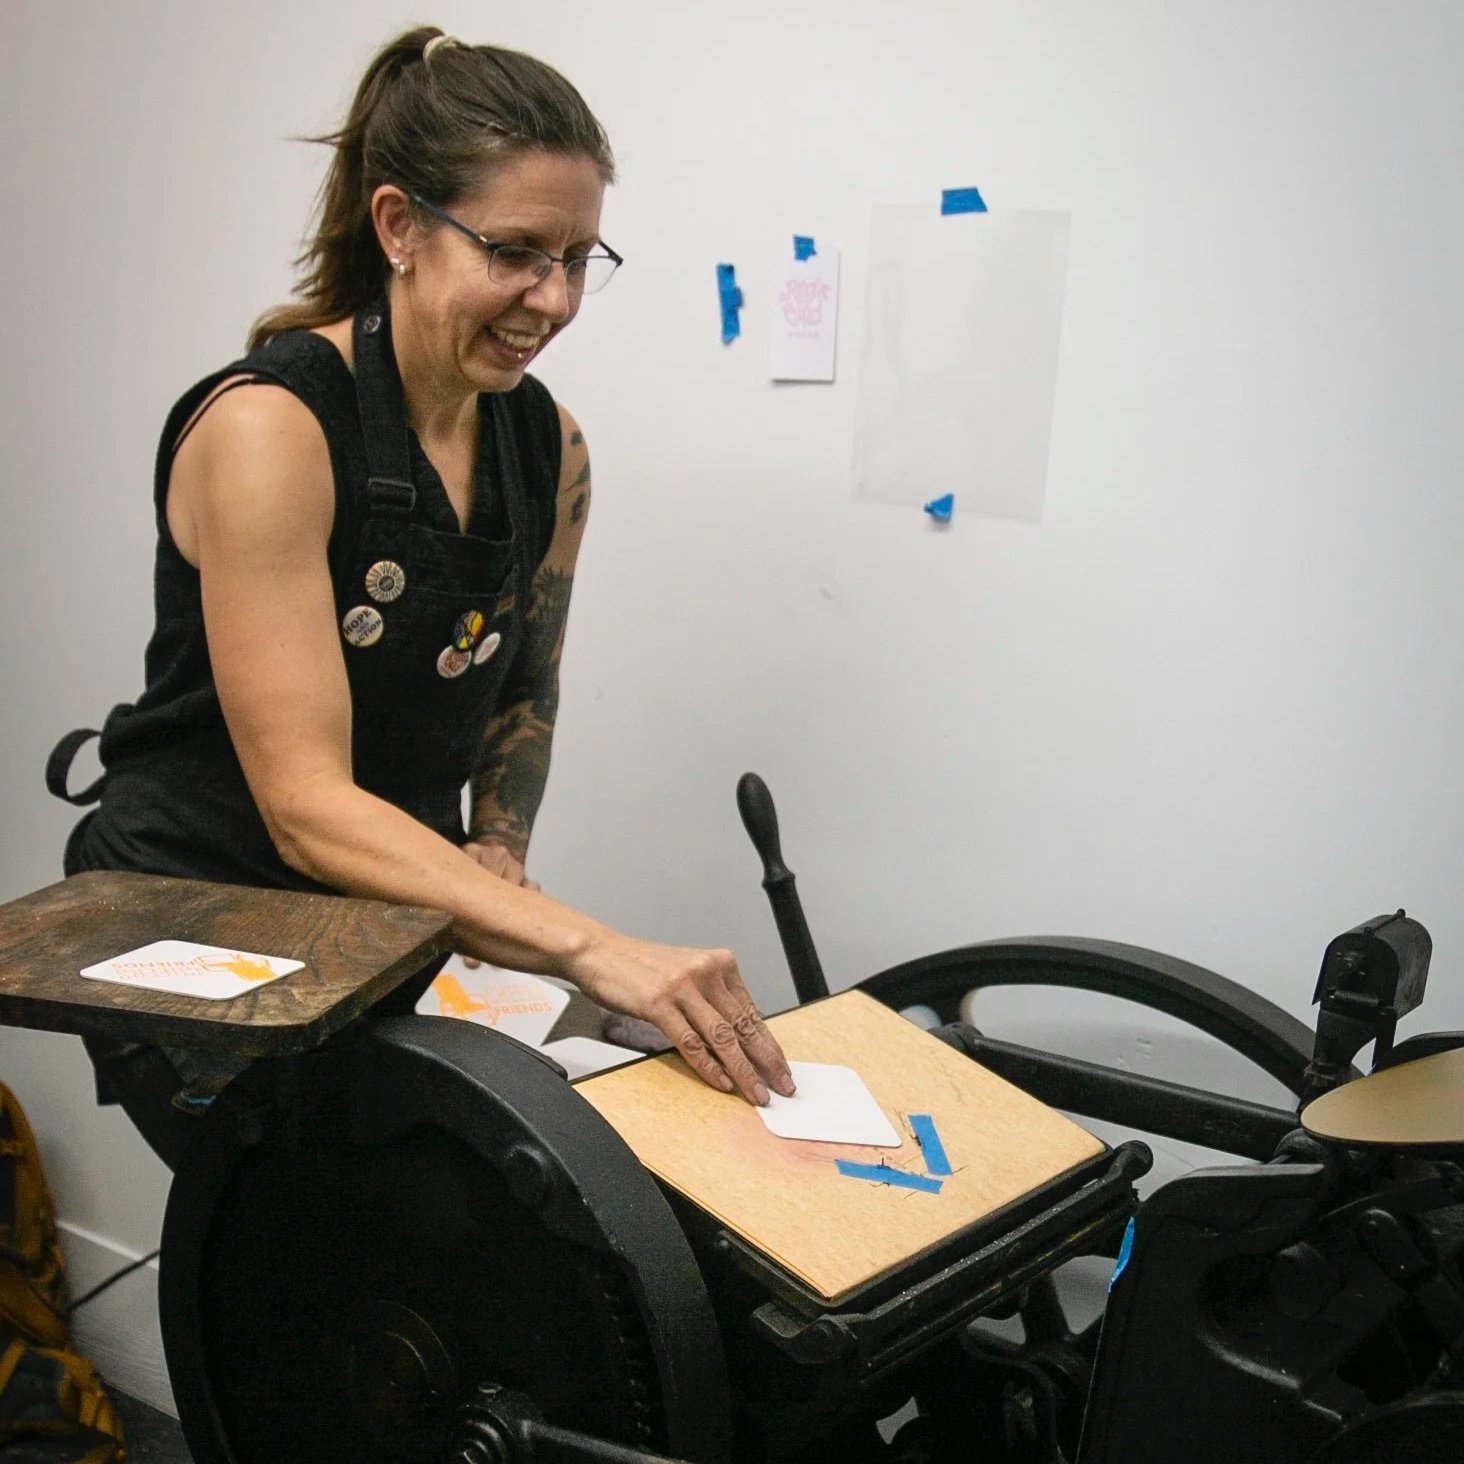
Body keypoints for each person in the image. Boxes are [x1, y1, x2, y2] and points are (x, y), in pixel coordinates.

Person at [47, 24, 793, 1166]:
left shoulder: (550, 449)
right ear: (399, 226)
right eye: (516, 251)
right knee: (311, 1248)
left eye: (581, 257)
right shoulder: (272, 430)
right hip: (188, 920)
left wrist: (497, 841)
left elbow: (525, 683)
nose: (552, 298)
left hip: (374, 917)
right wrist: (587, 946)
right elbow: (304, 805)